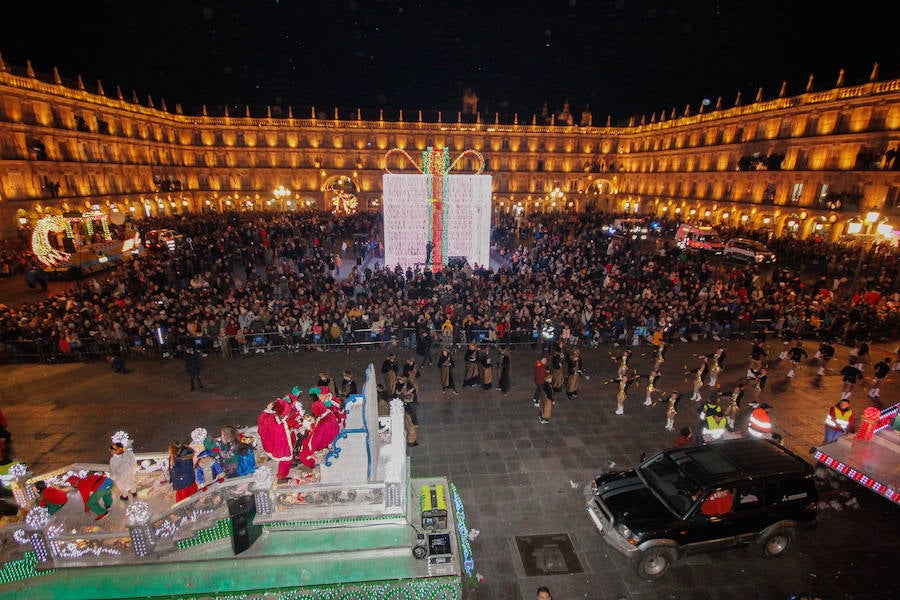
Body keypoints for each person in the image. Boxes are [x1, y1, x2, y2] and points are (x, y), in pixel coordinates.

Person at [257, 399, 298, 482]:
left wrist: (268, 409)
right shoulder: (279, 425)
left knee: (288, 458)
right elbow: (283, 439)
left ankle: (289, 463)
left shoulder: (272, 417)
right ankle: (281, 476)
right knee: (286, 460)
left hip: (283, 443)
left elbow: (262, 420)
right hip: (282, 447)